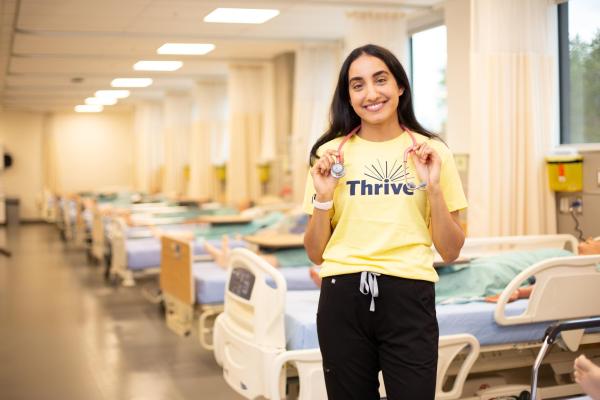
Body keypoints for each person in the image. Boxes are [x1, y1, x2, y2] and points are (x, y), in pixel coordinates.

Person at [302, 44, 467, 400]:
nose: (371, 93)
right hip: (342, 297)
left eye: (380, 80)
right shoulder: (329, 156)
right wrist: (324, 195)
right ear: (348, 95)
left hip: (409, 295)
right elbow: (316, 253)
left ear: (400, 86)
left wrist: (433, 187)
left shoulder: (433, 153)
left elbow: (451, 250)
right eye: (357, 84)